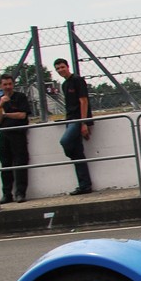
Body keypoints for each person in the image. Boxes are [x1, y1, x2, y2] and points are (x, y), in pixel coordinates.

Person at [53, 58, 94, 196]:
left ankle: (84, 184)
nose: (60, 70)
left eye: (62, 67)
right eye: (58, 68)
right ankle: (85, 185)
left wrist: (83, 123)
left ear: (68, 66)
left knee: (65, 142)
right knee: (78, 153)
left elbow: (83, 101)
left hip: (77, 120)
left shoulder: (77, 80)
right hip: (70, 119)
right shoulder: (65, 85)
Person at [0, 73, 31, 203]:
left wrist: (6, 114)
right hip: (4, 134)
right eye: (5, 84)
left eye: (10, 84)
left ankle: (20, 193)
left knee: (20, 163)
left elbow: (22, 115)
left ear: (13, 84)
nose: (8, 87)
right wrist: (0, 106)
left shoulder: (20, 97)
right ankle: (7, 194)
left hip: (18, 134)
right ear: (1, 86)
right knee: (5, 165)